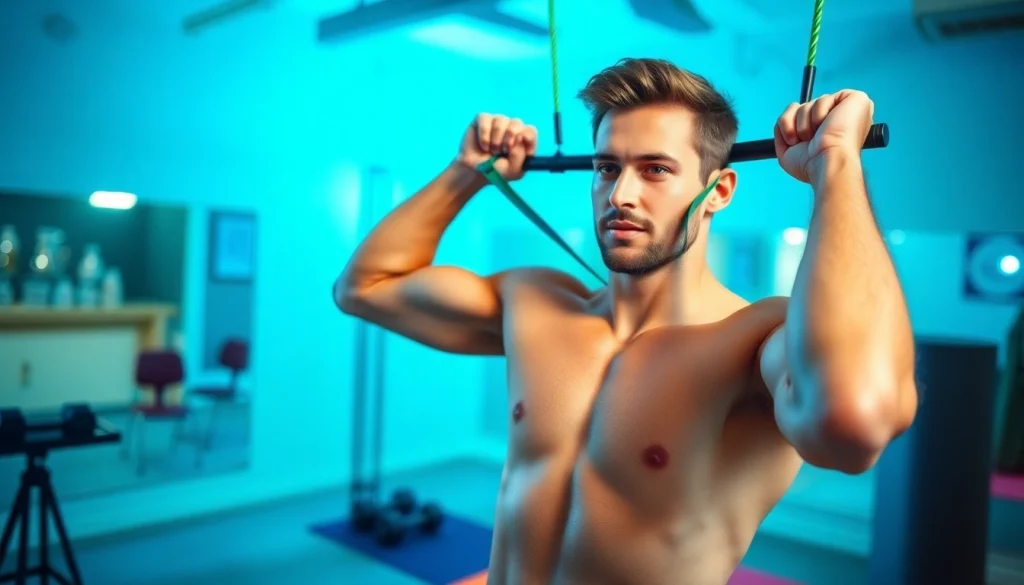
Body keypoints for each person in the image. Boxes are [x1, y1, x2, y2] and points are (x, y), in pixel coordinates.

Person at [335, 58, 919, 585]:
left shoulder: (754, 343)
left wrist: (836, 165)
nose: (622, 194)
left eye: (656, 169)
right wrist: (465, 172)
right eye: (607, 168)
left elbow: (854, 421)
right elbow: (364, 288)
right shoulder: (537, 302)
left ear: (717, 192)